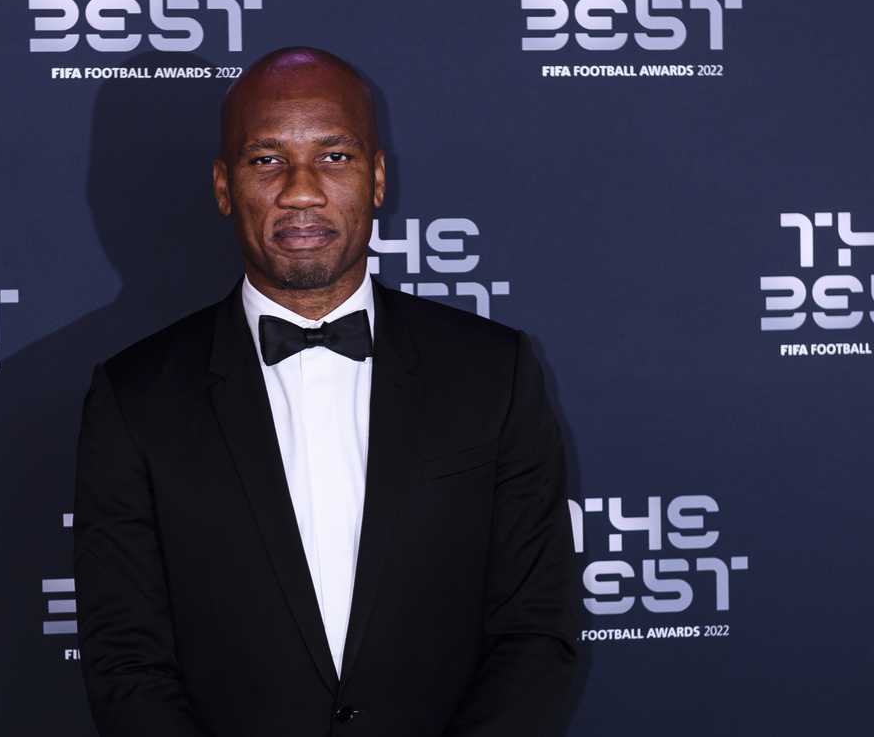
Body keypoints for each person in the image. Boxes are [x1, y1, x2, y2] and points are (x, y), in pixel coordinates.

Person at [73, 46, 579, 737]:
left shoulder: (495, 372)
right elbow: (125, 660)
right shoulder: (134, 399)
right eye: (266, 159)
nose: (301, 190)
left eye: (335, 157)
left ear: (376, 178)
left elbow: (535, 629)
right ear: (224, 187)